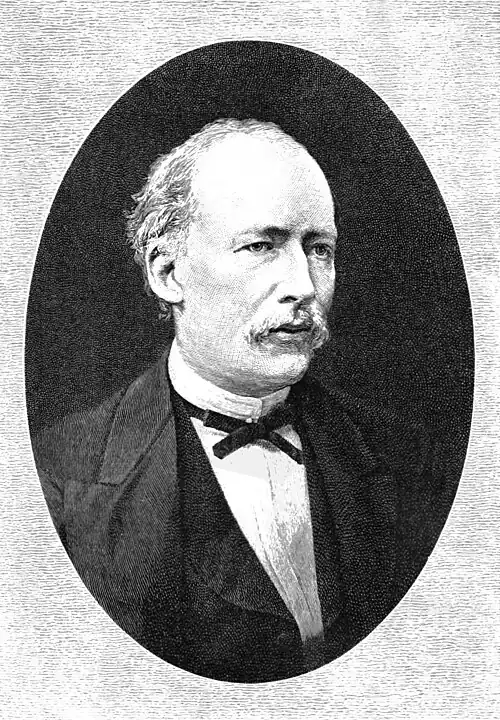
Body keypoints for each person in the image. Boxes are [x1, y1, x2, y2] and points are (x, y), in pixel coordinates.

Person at [33, 118, 444, 683]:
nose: (303, 284)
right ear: (167, 272)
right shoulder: (57, 482)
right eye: (260, 246)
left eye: (319, 249)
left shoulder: (410, 458)